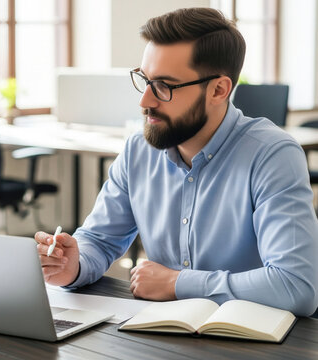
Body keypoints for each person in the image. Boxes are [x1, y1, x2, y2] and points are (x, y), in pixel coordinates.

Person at [35, 8, 318, 316]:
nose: (145, 100)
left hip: (251, 339)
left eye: (164, 86)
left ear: (218, 90)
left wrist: (178, 283)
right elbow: (99, 240)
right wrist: (72, 265)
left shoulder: (272, 154)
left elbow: (296, 287)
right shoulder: (138, 151)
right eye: (144, 79)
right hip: (162, 328)